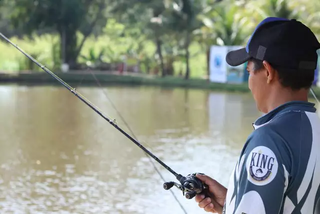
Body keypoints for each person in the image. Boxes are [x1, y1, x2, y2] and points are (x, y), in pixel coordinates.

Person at [195, 17, 320, 214]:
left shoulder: (268, 141)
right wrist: (233, 203)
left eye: (249, 72)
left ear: (268, 72)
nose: (250, 82)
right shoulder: (316, 129)